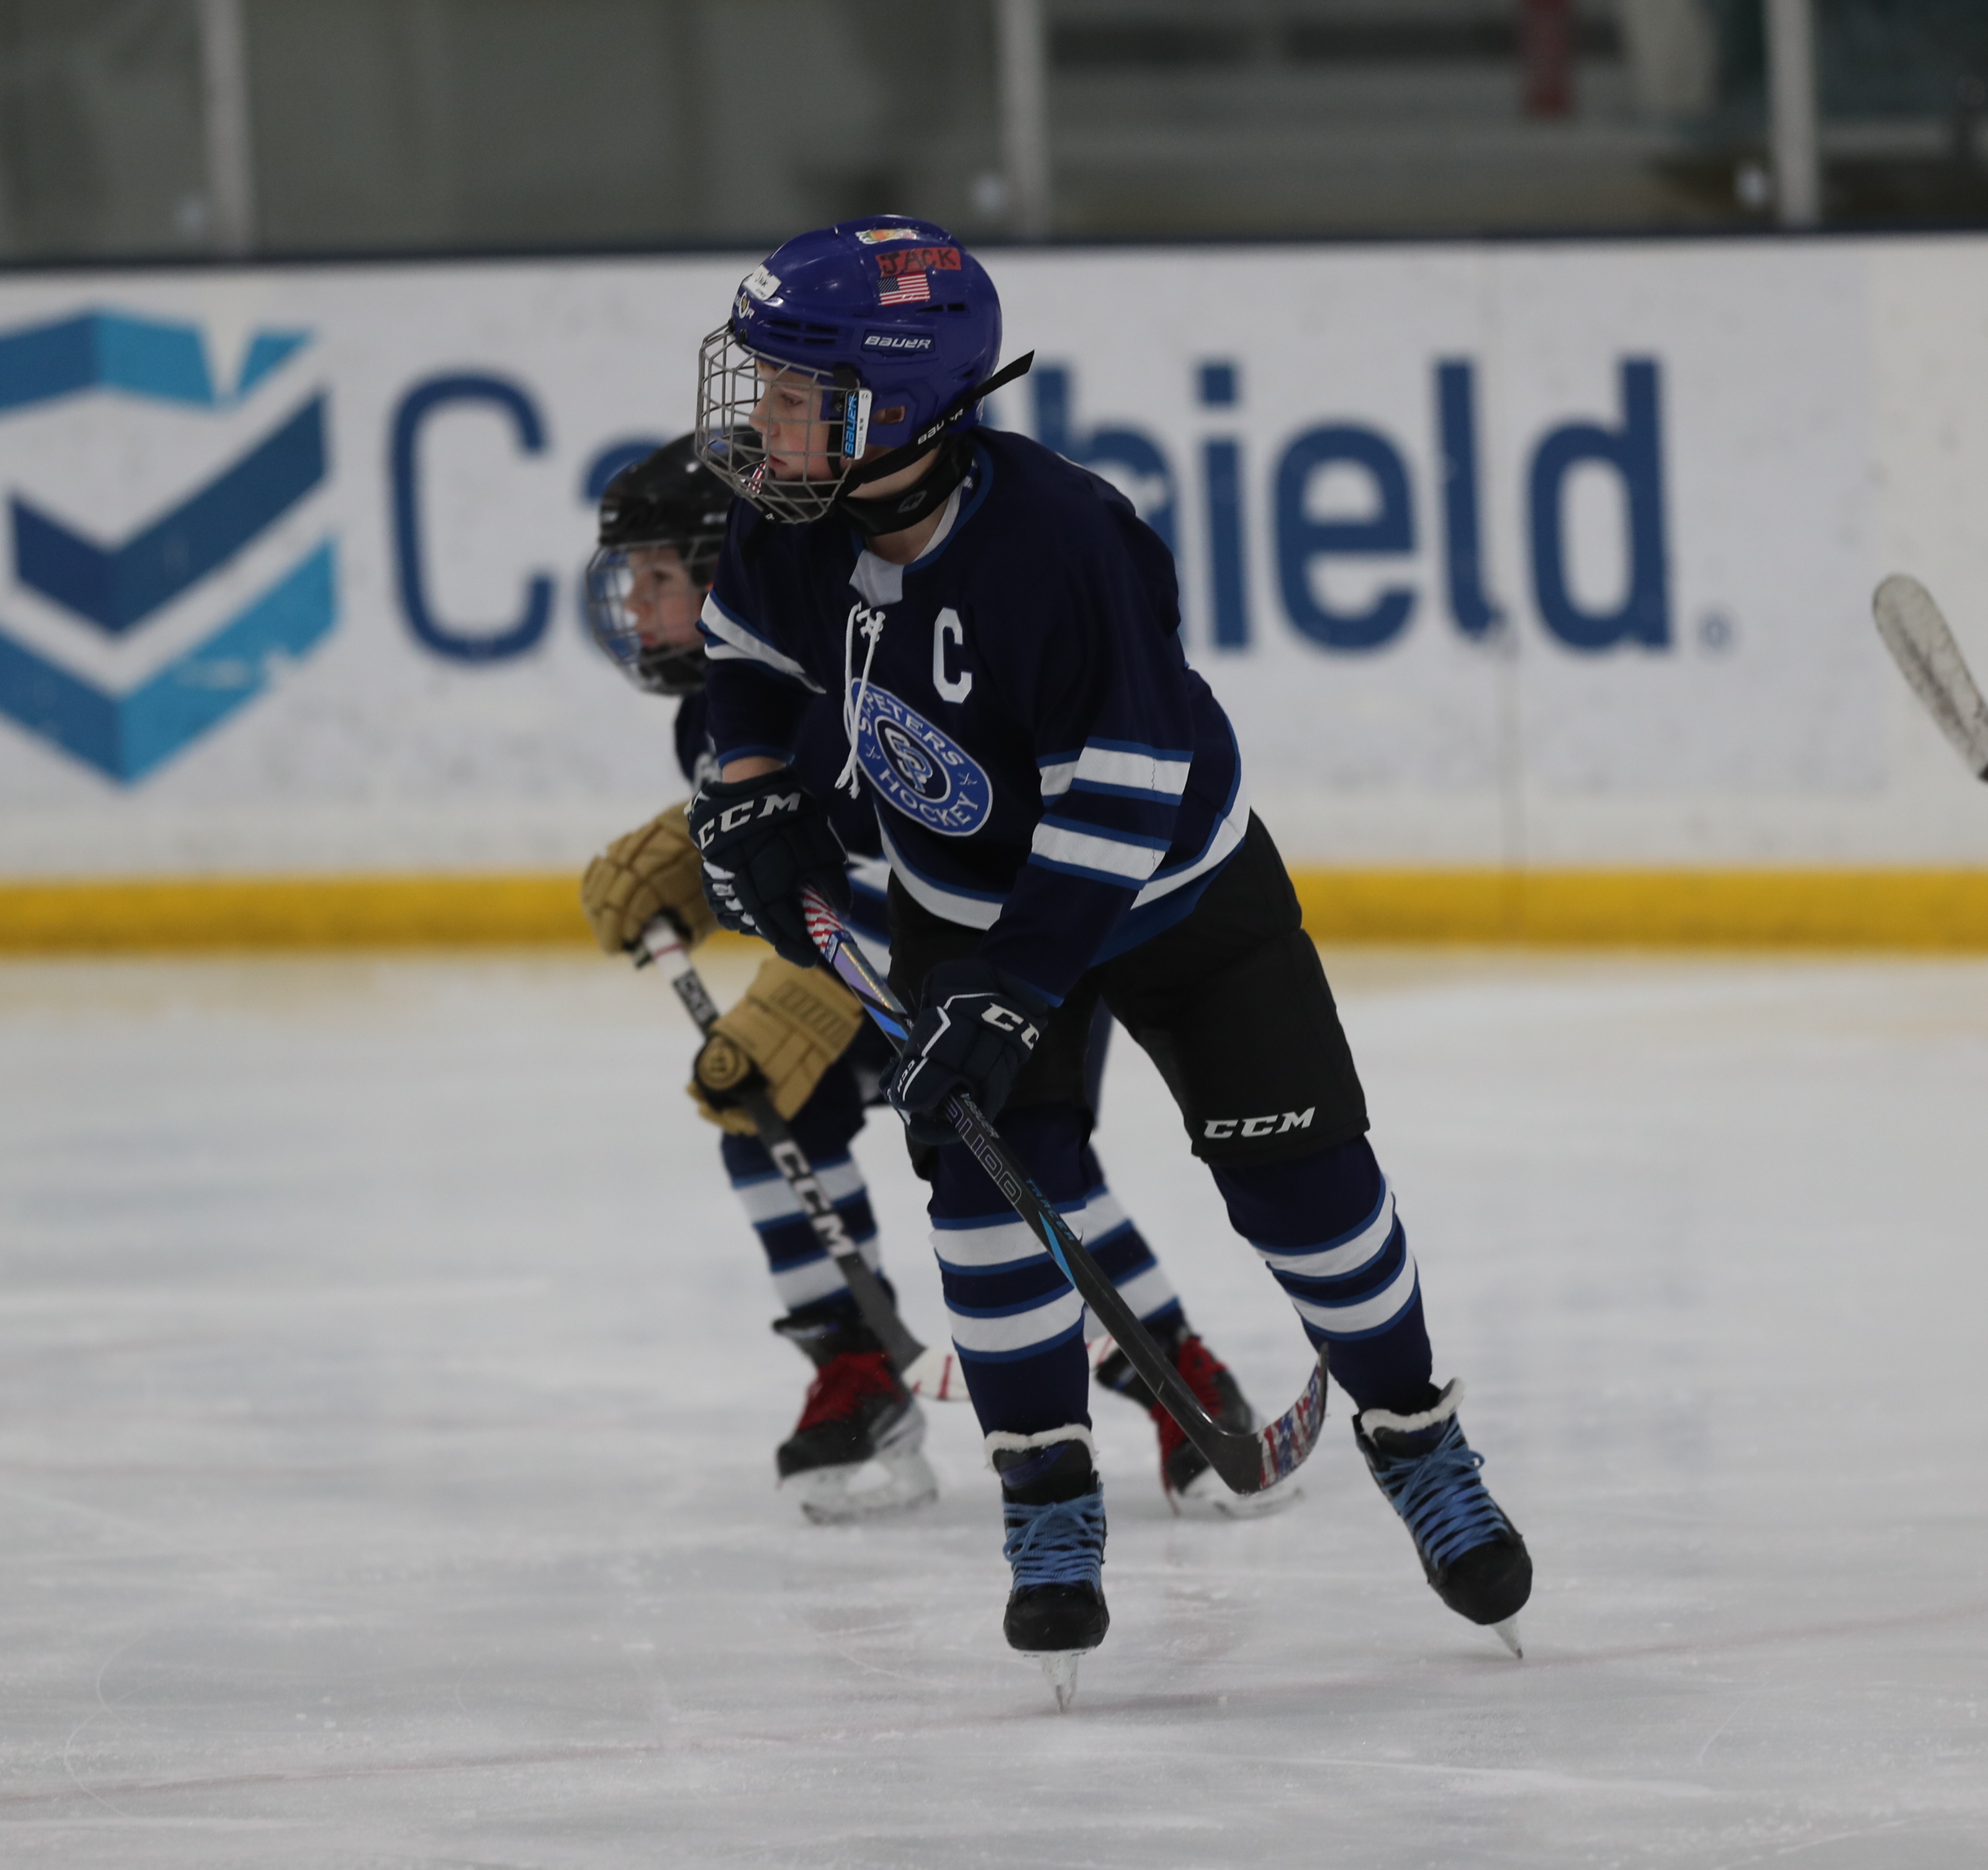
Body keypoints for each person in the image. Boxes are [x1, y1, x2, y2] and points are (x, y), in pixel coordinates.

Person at [683, 218, 1531, 1679]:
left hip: (1181, 899)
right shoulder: (788, 520)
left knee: (1305, 1189)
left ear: (901, 403)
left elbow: (1123, 797)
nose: (765, 420)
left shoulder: (1067, 543)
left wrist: (1015, 992)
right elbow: (744, 664)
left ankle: (1417, 1438)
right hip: (960, 907)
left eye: (800, 393)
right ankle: (1048, 1498)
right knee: (981, 1195)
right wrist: (749, 790)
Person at [575, 435, 1285, 1525]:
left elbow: (910, 853)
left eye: (661, 577)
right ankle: (858, 1371)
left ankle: (1178, 1376)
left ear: (724, 567)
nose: (639, 606)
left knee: (1023, 1163)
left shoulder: (849, 661)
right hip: (879, 967)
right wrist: (705, 847)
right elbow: (801, 846)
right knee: (763, 1110)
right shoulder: (722, 705)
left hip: (1009, 949)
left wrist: (818, 989)